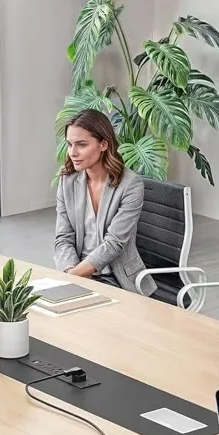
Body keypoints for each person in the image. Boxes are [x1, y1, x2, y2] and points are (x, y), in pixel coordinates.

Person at [54, 109, 155, 296]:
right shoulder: (67, 180)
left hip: (117, 278)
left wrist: (71, 279)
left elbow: (114, 244)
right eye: (69, 144)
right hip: (76, 270)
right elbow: (63, 238)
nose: (73, 153)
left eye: (81, 145)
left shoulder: (130, 184)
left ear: (103, 144)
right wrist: (70, 271)